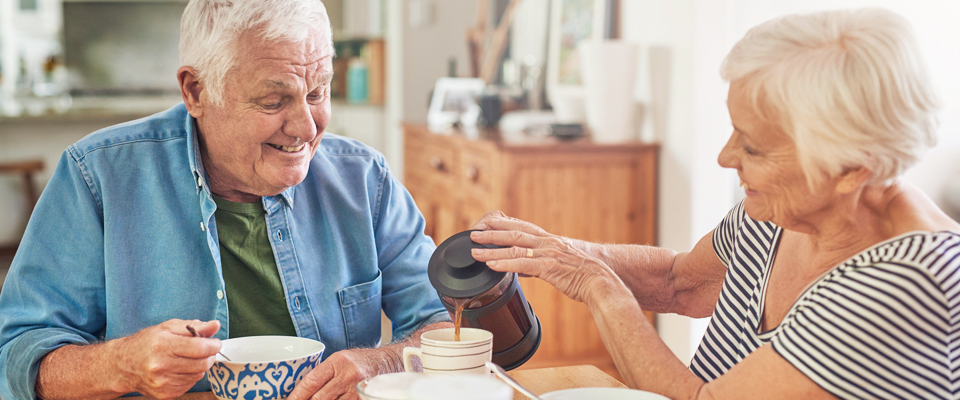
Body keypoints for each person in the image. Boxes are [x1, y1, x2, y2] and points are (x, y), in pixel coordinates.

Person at [469, 8, 960, 400]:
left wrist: (596, 283)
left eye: (753, 147)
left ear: (853, 168)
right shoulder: (783, 210)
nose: (726, 157)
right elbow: (680, 283)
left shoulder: (911, 280)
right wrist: (555, 252)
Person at [0, 0, 450, 399]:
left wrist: (381, 361)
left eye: (317, 93)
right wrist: (122, 365)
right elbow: (16, 357)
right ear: (195, 91)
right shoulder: (97, 175)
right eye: (274, 101)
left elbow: (448, 326)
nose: (307, 127)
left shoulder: (364, 179)